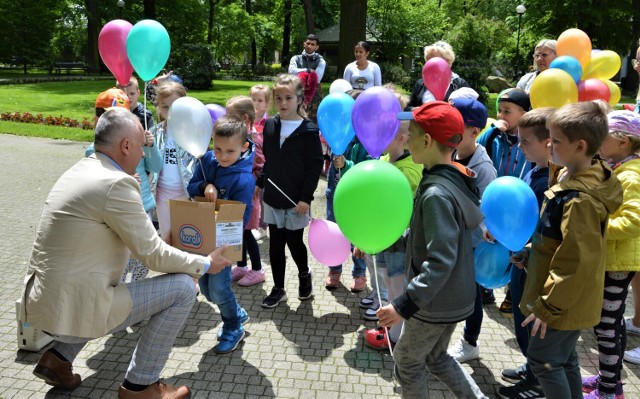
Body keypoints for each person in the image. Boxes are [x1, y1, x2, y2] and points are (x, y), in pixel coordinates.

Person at [21, 107, 232, 399]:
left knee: (109, 281)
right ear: (126, 145)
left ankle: (57, 359)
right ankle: (140, 386)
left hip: (47, 300)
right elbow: (153, 255)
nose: (144, 154)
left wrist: (160, 240)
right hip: (78, 303)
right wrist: (205, 263)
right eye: (143, 147)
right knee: (183, 288)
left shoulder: (81, 169)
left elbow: (130, 245)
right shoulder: (116, 184)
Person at [377, 101, 487, 398]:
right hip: (453, 296)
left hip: (434, 302)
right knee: (436, 357)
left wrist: (403, 304)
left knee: (407, 362)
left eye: (410, 133)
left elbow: (440, 260)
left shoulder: (436, 193)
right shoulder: (453, 175)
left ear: (426, 141)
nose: (406, 138)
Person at [515, 101, 623, 399]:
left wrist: (548, 308)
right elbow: (557, 239)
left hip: (560, 301)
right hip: (565, 297)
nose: (549, 144)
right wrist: (530, 251)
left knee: (544, 362)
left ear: (580, 146)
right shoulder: (571, 178)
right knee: (563, 360)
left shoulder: (580, 199)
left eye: (556, 140)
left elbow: (575, 261)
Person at [581, 110, 640, 399]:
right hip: (615, 257)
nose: (599, 143)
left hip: (619, 261)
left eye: (604, 138)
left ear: (624, 141)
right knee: (612, 323)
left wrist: (596, 226)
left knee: (606, 326)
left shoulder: (631, 176)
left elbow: (633, 220)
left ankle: (607, 392)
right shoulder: (622, 169)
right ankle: (610, 380)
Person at [496, 107, 554, 399]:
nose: (519, 146)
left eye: (525, 141)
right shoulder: (536, 169)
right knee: (521, 320)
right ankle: (533, 369)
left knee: (528, 323)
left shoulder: (550, 181)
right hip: (524, 259)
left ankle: (538, 383)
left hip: (534, 264)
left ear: (548, 142)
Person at [187, 115, 254, 354]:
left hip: (225, 243)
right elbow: (191, 186)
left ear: (244, 147)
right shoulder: (207, 161)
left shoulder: (244, 179)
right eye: (217, 148)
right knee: (206, 290)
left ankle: (233, 326)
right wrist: (205, 186)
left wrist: (221, 220)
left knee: (218, 289)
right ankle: (237, 312)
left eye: (229, 151)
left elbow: (241, 218)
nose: (222, 156)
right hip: (203, 238)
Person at [257, 74, 324, 308]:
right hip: (273, 197)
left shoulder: (308, 131)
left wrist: (306, 197)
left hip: (297, 201)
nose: (283, 103)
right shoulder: (271, 125)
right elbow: (270, 160)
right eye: (278, 98)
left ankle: (304, 275)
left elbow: (314, 166)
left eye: (288, 98)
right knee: (275, 244)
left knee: (294, 243)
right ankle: (278, 288)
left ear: (299, 99)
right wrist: (260, 183)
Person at [86, 88, 163, 284]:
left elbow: (156, 166)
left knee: (144, 255)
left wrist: (151, 146)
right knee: (119, 255)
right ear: (99, 122)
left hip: (142, 205)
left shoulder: (140, 144)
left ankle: (133, 286)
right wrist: (122, 178)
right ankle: (118, 287)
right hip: (115, 211)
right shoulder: (93, 151)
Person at [362, 112, 423, 350]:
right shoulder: (386, 160)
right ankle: (392, 328)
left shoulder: (410, 170)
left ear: (401, 138)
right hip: (385, 237)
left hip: (401, 239)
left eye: (383, 135)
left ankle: (398, 337)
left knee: (398, 285)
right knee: (388, 281)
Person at [445, 97, 497, 364]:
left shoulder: (483, 168)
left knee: (472, 296)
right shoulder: (451, 153)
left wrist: (482, 230)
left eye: (454, 126)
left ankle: (470, 343)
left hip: (472, 245)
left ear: (475, 132)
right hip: (454, 239)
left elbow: (489, 210)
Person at [476, 88, 532, 307]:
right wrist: (492, 129)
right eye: (499, 110)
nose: (501, 116)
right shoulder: (494, 136)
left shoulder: (528, 140)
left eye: (507, 111)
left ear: (524, 113)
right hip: (495, 200)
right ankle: (485, 286)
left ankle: (511, 291)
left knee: (514, 244)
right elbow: (478, 146)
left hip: (518, 202)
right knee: (490, 240)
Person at [224, 96, 265, 287]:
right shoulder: (235, 138)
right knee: (237, 232)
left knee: (247, 232)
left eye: (231, 116)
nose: (226, 119)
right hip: (236, 193)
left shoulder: (253, 140)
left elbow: (261, 165)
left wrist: (255, 184)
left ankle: (257, 270)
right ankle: (241, 265)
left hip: (248, 194)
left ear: (245, 119)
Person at [150, 81, 196, 238]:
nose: (170, 111)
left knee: (186, 237)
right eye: (165, 107)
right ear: (159, 107)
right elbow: (149, 161)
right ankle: (169, 263)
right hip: (162, 194)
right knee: (167, 236)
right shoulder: (154, 132)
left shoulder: (192, 131)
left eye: (175, 106)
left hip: (186, 194)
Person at [407, 41, 471, 109]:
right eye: (430, 59)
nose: (433, 62)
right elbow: (407, 107)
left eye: (437, 59)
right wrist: (415, 109)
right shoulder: (420, 83)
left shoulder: (459, 83)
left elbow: (471, 108)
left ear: (448, 61)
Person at [288, 34, 326, 122]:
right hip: (296, 90)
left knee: (313, 119)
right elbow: (291, 71)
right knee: (295, 116)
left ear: (316, 47)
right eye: (308, 43)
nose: (309, 46)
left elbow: (317, 78)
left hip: (314, 93)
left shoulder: (321, 61)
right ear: (304, 44)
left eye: (312, 44)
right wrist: (308, 70)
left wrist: (300, 71)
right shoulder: (295, 58)